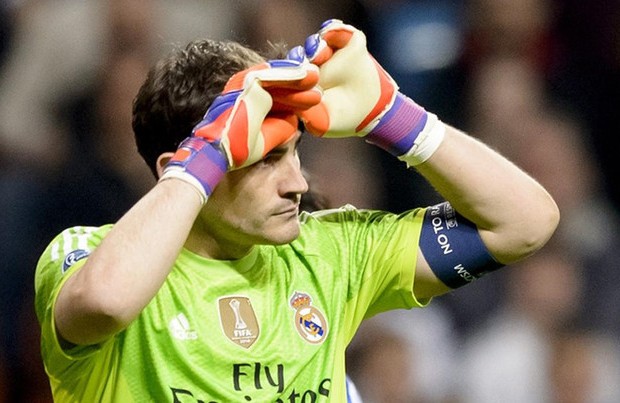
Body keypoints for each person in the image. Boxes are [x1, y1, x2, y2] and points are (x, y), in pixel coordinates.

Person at [34, 19, 559, 402]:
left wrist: (395, 117)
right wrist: (206, 158)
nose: (298, 184)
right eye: (264, 160)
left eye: (294, 152)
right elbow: (104, 303)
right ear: (181, 169)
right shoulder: (85, 254)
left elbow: (526, 224)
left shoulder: (331, 252)